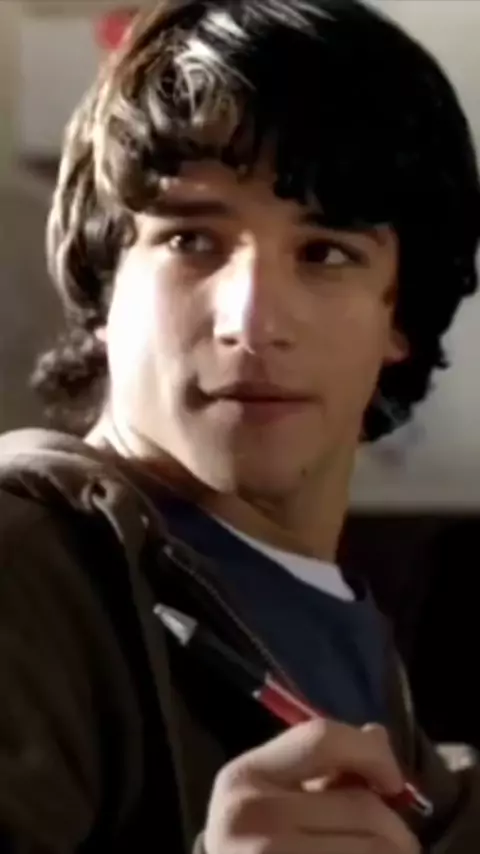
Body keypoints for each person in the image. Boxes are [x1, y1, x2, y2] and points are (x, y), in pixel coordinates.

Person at [1, 0, 480, 851]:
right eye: (192, 240)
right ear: (106, 287)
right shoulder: (27, 569)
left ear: (398, 315)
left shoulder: (333, 621)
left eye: (325, 252)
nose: (252, 322)